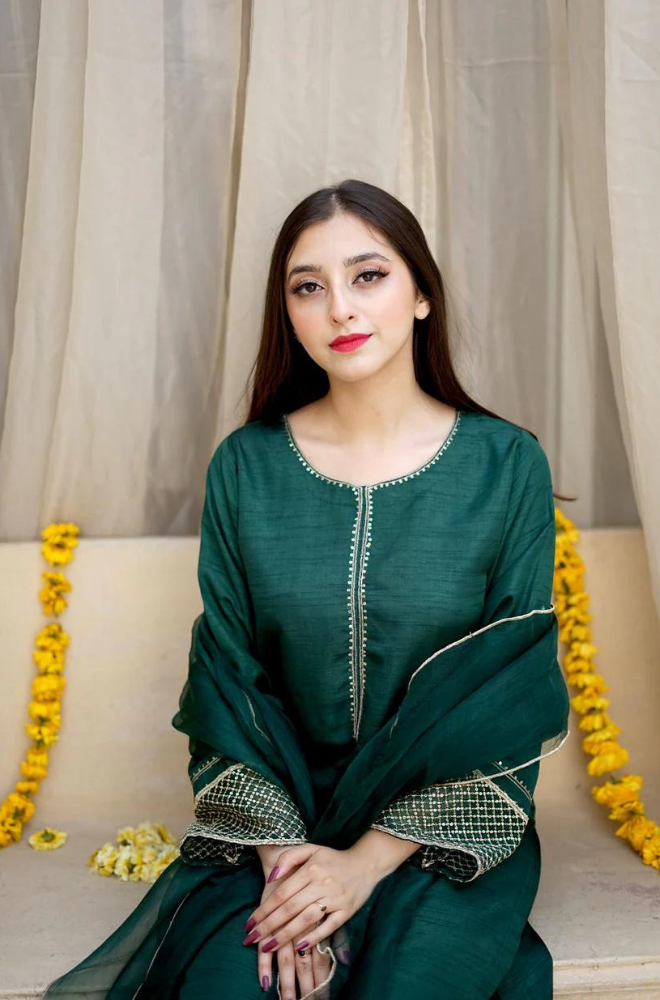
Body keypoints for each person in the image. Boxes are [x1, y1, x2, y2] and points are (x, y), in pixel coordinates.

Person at [42, 179, 570, 1000]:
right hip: (274, 831)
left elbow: (509, 699)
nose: (339, 310)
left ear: (422, 294)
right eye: (308, 287)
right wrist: (290, 876)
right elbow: (227, 685)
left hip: (439, 839)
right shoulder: (246, 468)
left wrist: (361, 868)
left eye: (369, 276)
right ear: (286, 312)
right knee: (227, 984)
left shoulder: (506, 466)